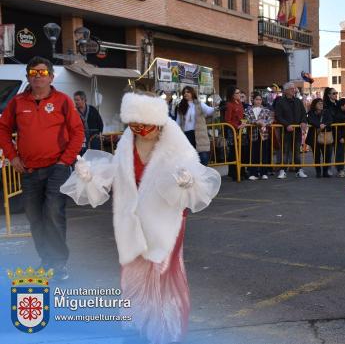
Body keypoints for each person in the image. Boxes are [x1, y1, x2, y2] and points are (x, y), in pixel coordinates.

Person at [62, 91, 221, 344]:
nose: (139, 129)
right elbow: (115, 172)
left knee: (161, 270)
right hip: (132, 218)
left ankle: (164, 327)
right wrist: (89, 174)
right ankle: (136, 319)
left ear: (156, 121)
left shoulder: (175, 142)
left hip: (165, 219)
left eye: (144, 124)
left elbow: (194, 174)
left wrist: (187, 181)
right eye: (133, 123)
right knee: (133, 269)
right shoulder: (127, 141)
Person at [0, 56, 85, 280]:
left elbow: (78, 132)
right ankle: (46, 260)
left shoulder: (63, 101)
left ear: (51, 76)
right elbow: (3, 130)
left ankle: (58, 263)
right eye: (34, 73)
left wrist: (65, 161)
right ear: (28, 76)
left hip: (56, 168)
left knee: (53, 214)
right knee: (35, 217)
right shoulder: (17, 103)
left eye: (43, 73)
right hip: (28, 171)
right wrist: (13, 157)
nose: (38, 77)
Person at [274, 82, 309, 179]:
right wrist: (286, 125)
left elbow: (303, 114)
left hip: (297, 131)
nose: (294, 90)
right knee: (285, 151)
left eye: (294, 88)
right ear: (286, 91)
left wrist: (303, 122)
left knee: (297, 151)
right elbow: (278, 116)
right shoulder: (280, 102)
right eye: (292, 89)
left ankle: (299, 170)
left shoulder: (298, 101)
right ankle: (283, 170)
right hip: (285, 131)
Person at [175, 86, 214, 166]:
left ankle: (202, 175)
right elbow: (178, 121)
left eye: (188, 92)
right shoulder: (181, 106)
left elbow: (209, 110)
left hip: (199, 134)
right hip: (186, 134)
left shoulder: (199, 104)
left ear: (192, 93)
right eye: (184, 92)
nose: (186, 93)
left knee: (203, 156)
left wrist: (217, 108)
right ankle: (193, 175)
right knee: (189, 158)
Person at [244, 92, 273, 180]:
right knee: (253, 154)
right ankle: (253, 173)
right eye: (257, 99)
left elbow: (271, 119)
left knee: (264, 153)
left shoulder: (266, 110)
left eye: (260, 99)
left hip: (264, 134)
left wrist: (264, 123)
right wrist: (256, 122)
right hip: (253, 134)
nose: (258, 101)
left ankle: (264, 172)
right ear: (253, 100)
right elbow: (247, 119)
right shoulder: (248, 110)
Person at [223, 86, 246, 180]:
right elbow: (227, 120)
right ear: (232, 95)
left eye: (239, 92)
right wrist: (237, 126)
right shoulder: (229, 104)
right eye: (237, 93)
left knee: (242, 151)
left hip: (241, 129)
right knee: (233, 152)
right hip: (233, 130)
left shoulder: (240, 103)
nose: (239, 94)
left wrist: (244, 122)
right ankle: (234, 173)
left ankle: (242, 171)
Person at [307, 98, 333, 178]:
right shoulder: (311, 112)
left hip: (325, 135)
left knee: (327, 154)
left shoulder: (326, 112)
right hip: (314, 136)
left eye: (322, 103)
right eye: (319, 103)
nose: (321, 105)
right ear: (314, 105)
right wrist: (319, 125)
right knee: (317, 155)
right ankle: (318, 171)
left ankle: (325, 171)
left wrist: (324, 124)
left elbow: (331, 120)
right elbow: (310, 120)